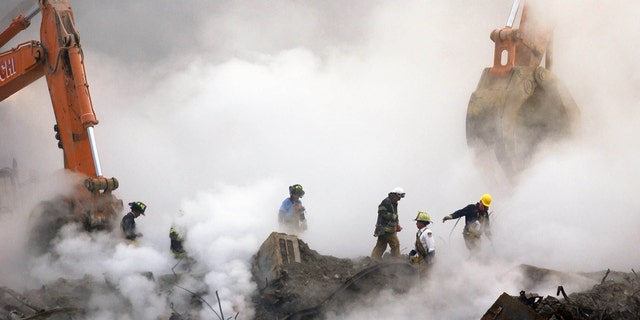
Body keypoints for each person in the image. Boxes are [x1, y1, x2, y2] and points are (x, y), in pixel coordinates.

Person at [371, 187, 405, 261]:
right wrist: (394, 217)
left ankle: (374, 260)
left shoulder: (393, 202)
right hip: (386, 229)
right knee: (395, 244)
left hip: (385, 228)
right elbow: (382, 213)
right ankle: (396, 262)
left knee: (381, 245)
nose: (399, 199)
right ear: (394, 195)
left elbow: (395, 215)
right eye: (399, 197)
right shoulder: (386, 202)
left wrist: (397, 224)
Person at [409, 211, 436, 278]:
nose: (416, 223)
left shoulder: (427, 233)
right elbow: (416, 246)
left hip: (426, 259)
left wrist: (429, 259)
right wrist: (412, 253)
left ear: (422, 223)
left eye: (418, 222)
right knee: (422, 277)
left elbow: (431, 247)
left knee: (426, 279)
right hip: (421, 259)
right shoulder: (419, 233)